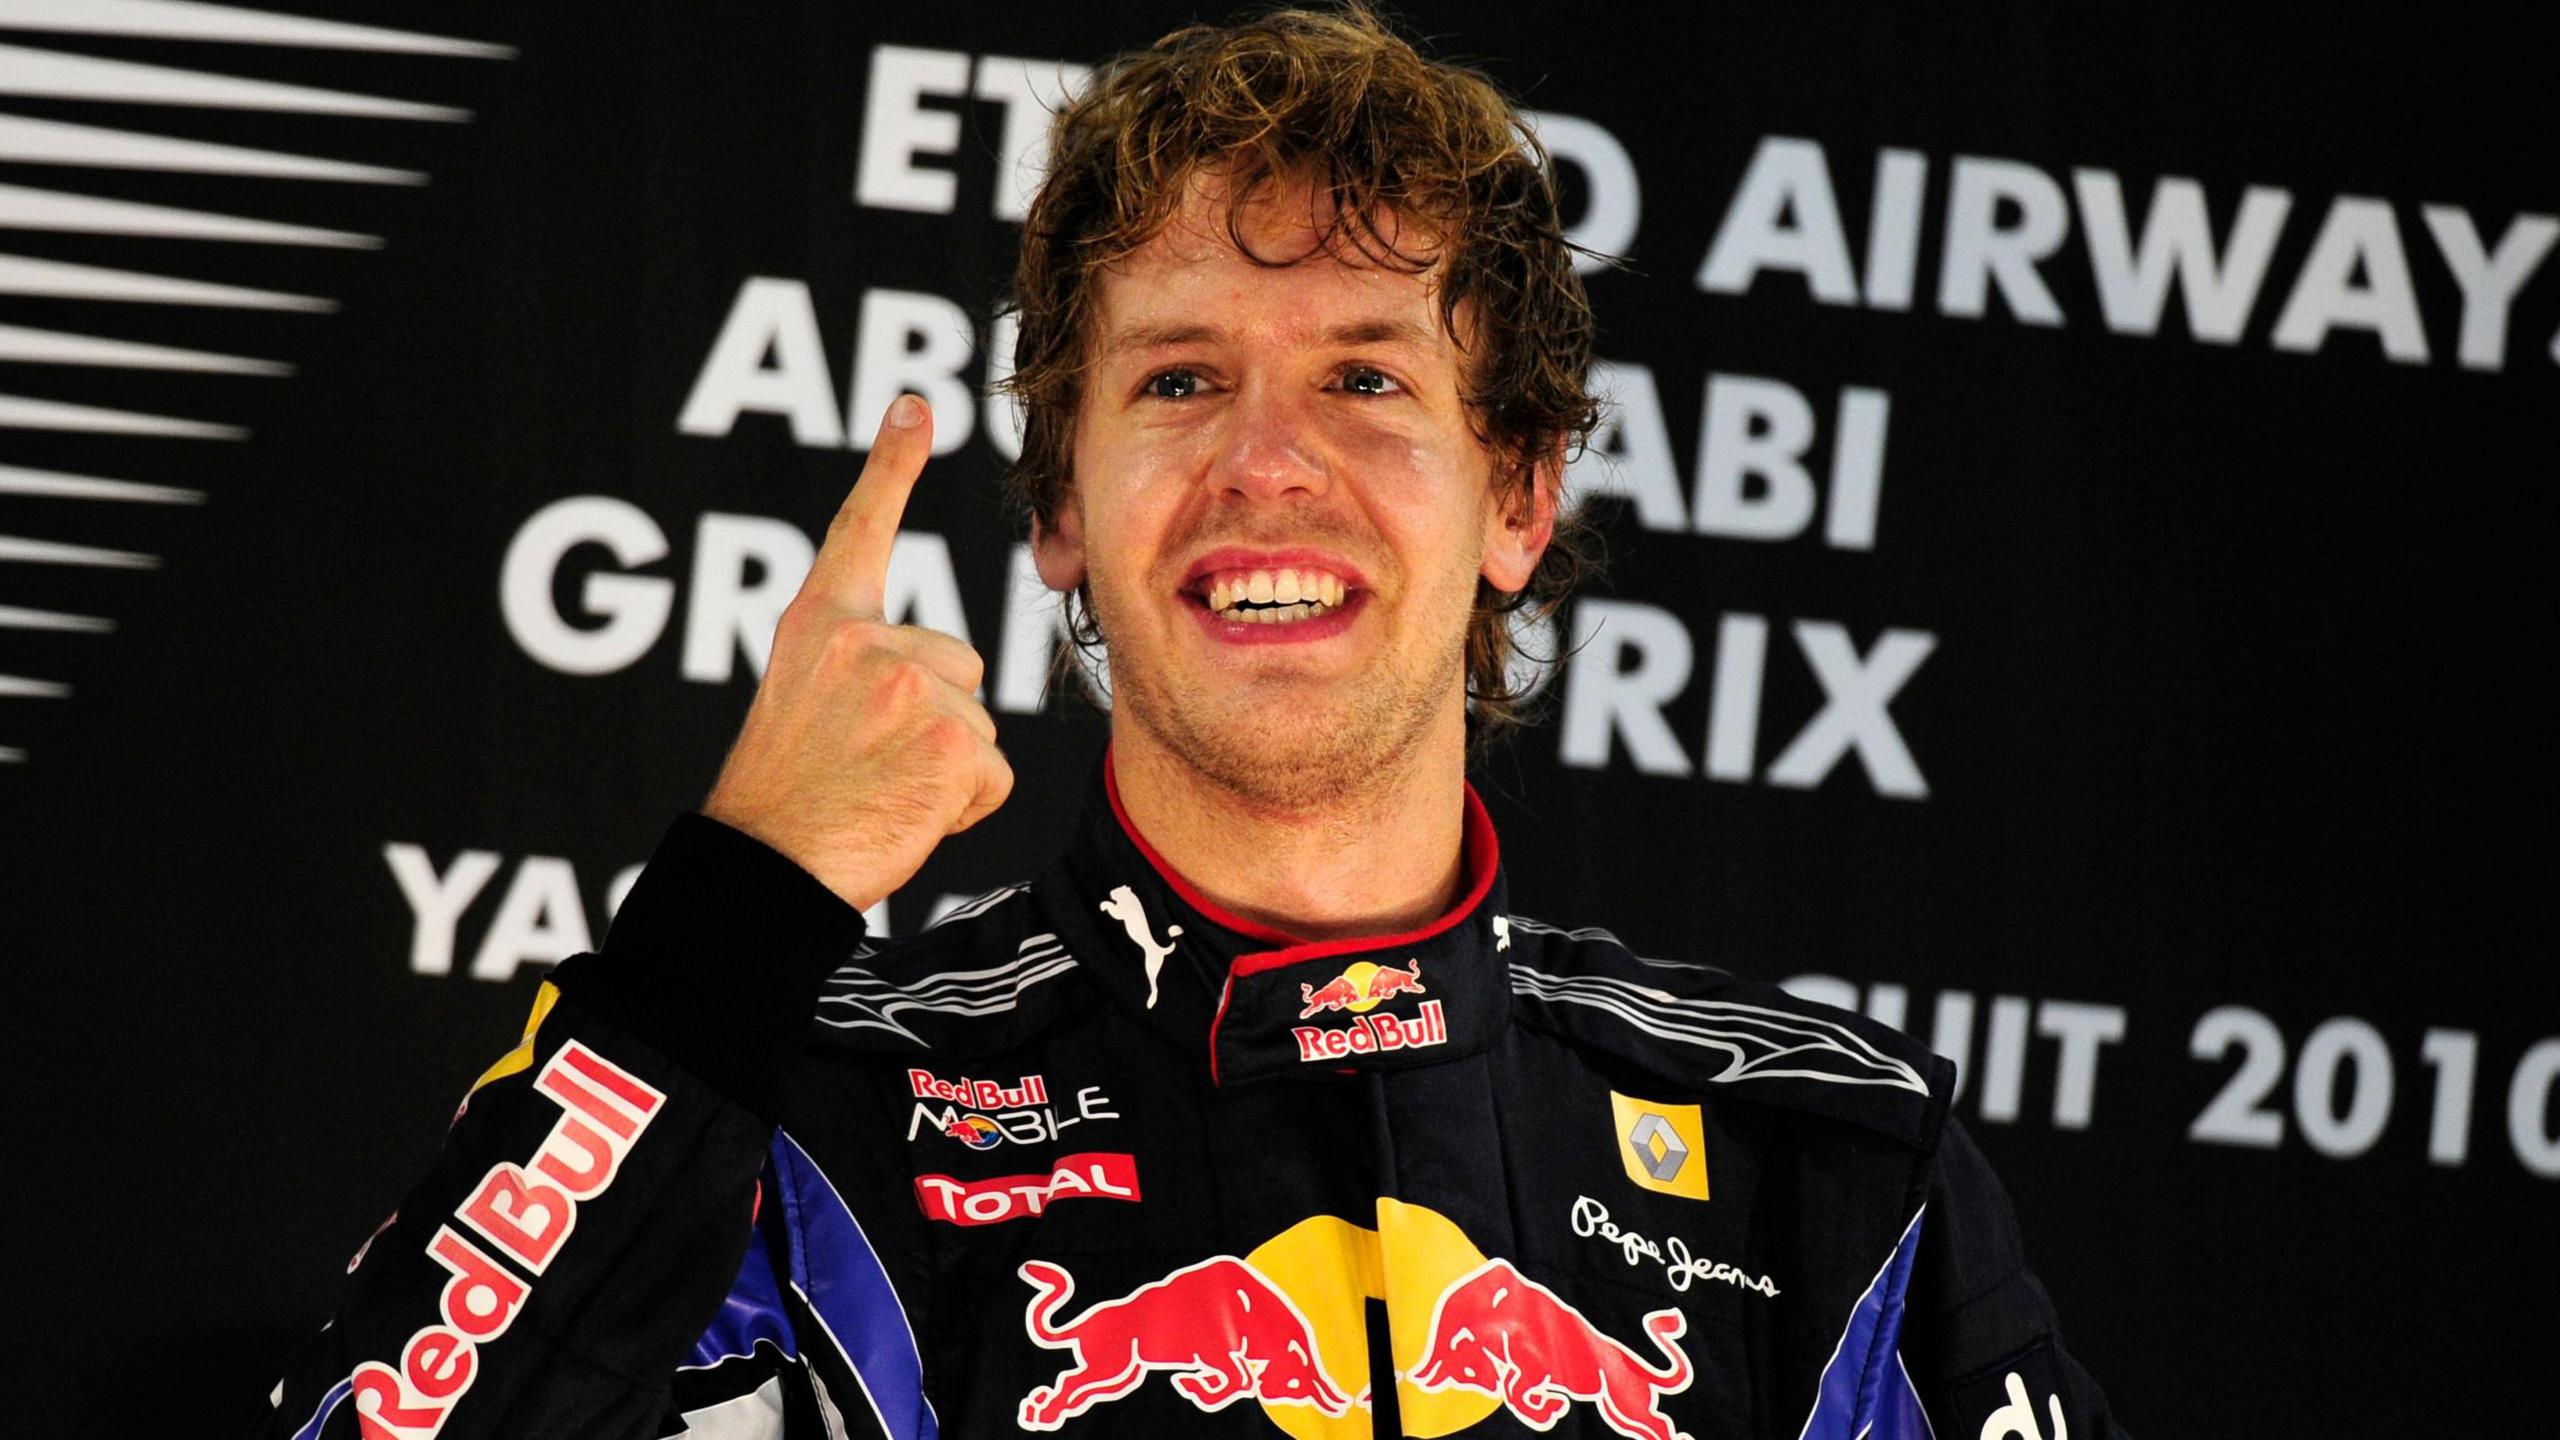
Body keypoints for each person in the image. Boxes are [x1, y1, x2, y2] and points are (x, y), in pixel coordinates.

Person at [260, 7, 2125, 1438]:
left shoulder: (1818, 1159)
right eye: (1176, 378)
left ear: (1520, 498)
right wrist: (750, 893)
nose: (1264, 467)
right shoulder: (816, 1113)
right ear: (1061, 510)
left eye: (1365, 377)